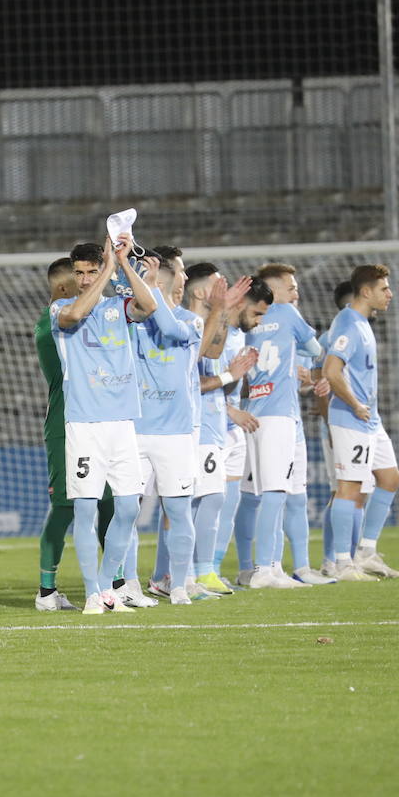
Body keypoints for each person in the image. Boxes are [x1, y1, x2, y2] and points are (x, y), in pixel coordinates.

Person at [52, 234, 174, 614]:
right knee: (87, 512)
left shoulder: (118, 307)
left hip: (122, 423)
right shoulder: (60, 308)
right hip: (84, 424)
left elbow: (149, 306)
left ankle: (107, 588)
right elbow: (75, 316)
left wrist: (122, 263)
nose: (86, 279)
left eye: (91, 270)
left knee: (127, 509)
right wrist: (108, 269)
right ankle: (92, 592)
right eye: (80, 272)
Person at [136, 247, 242, 605]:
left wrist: (220, 309)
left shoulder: (190, 319)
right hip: (150, 426)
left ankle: (179, 577)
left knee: (186, 505)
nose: (184, 276)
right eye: (180, 271)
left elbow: (207, 352)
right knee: (131, 509)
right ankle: (147, 579)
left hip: (187, 426)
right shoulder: (140, 318)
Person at [33, 258, 113, 610]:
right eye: (80, 282)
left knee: (110, 500)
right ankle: (47, 591)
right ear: (65, 289)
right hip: (66, 424)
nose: (87, 287)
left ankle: (116, 582)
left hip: (97, 421)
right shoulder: (53, 321)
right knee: (66, 506)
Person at [239, 264, 324, 590]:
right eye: (290, 286)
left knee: (265, 493)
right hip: (279, 414)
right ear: (274, 290)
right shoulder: (288, 314)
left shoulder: (248, 320)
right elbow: (317, 352)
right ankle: (265, 569)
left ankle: (271, 566)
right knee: (275, 492)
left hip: (254, 412)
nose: (295, 291)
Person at [323, 264, 399, 580]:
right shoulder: (349, 324)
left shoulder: (363, 323)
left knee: (390, 478)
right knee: (350, 487)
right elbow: (331, 370)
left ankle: (366, 552)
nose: (390, 294)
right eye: (384, 288)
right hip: (350, 417)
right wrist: (355, 404)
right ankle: (343, 563)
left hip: (370, 419)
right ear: (366, 291)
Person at [184, 263, 257, 597]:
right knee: (185, 504)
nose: (226, 292)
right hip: (194, 426)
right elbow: (193, 381)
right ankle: (182, 574)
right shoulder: (186, 326)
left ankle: (204, 571)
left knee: (213, 501)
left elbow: (214, 366)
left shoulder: (210, 327)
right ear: (201, 293)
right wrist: (230, 376)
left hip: (214, 424)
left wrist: (223, 312)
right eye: (218, 286)